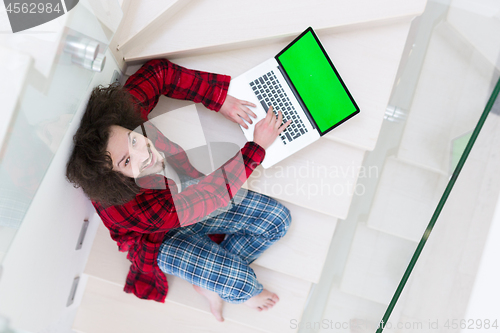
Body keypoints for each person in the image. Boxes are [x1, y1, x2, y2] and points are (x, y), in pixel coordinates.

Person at [66, 59, 292, 322]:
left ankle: (209, 282)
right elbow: (212, 194)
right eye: (127, 161)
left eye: (135, 140)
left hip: (182, 192)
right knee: (241, 284)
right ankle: (231, 288)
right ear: (115, 177)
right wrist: (258, 147)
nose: (145, 154)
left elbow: (159, 73)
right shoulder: (138, 208)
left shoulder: (116, 128)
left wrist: (221, 101)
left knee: (276, 220)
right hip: (160, 239)